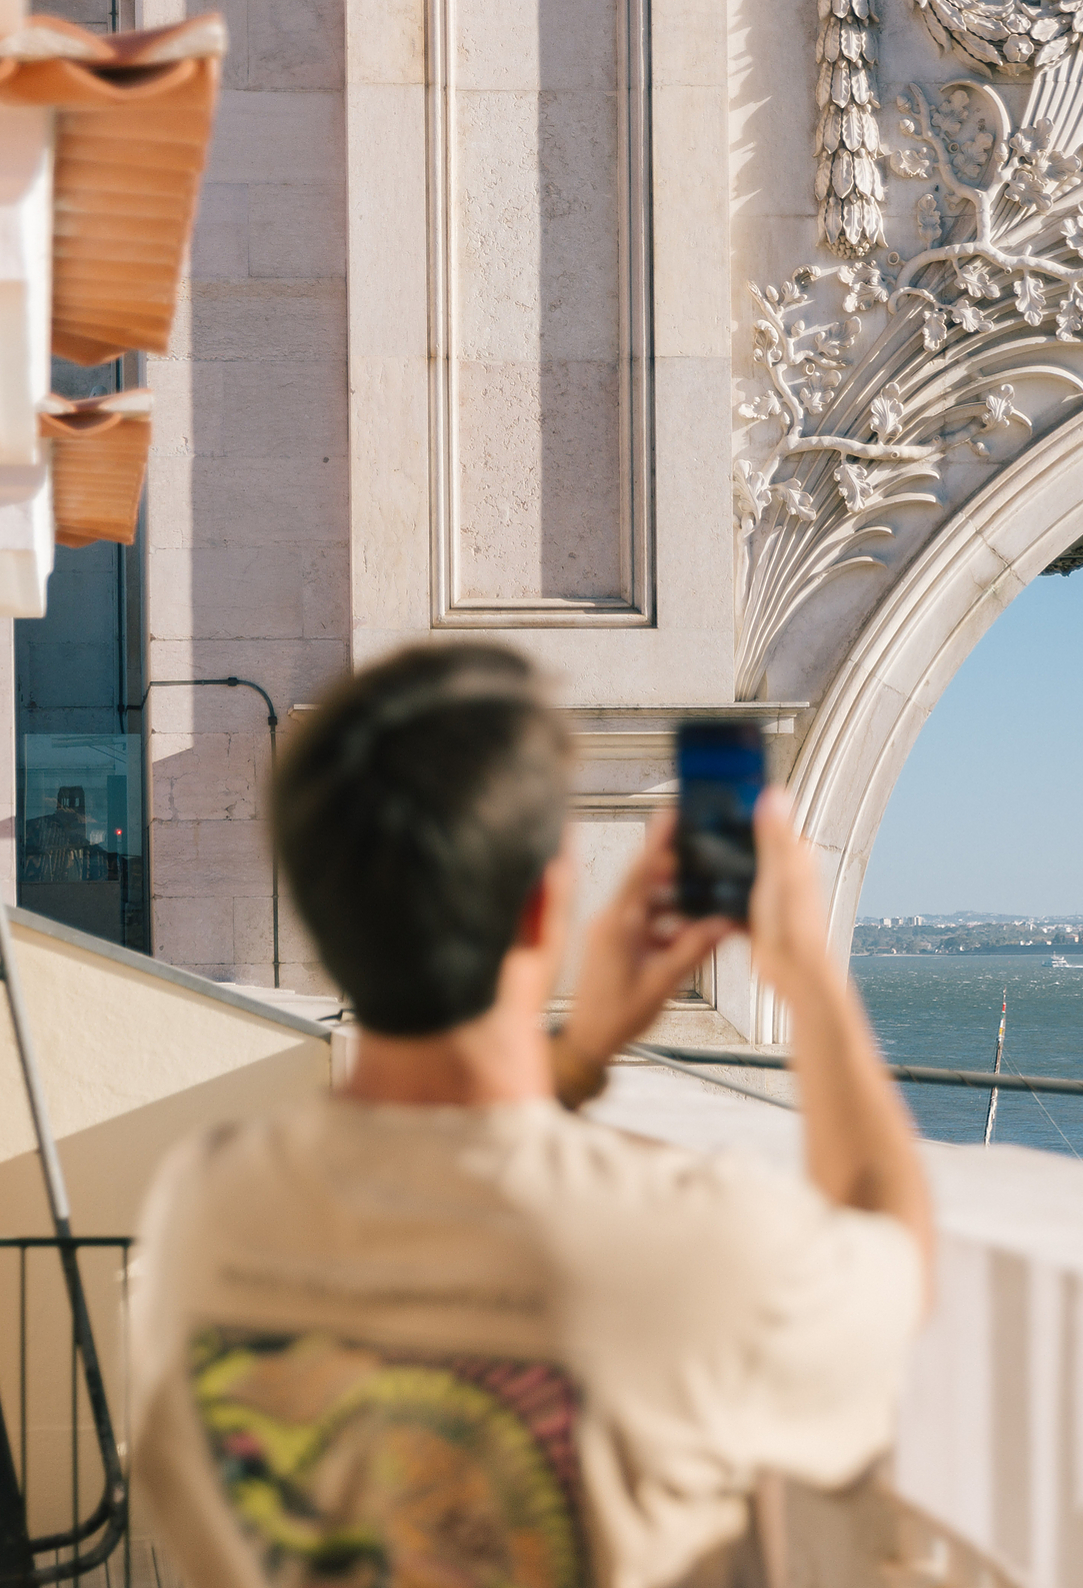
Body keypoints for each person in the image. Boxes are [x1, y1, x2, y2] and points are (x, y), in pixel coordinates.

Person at [130, 643, 933, 1588]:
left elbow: (454, 1178)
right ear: (544, 904)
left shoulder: (205, 1205)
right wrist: (806, 970)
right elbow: (896, 1256)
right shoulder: (689, 1246)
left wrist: (579, 1057)